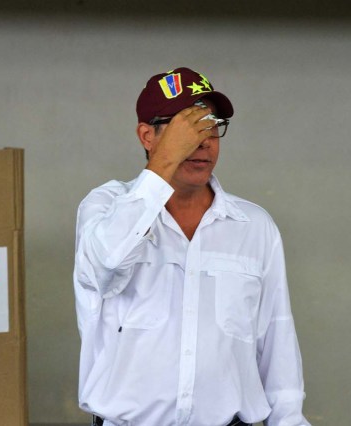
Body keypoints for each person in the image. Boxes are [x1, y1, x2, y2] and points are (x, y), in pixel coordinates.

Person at [73, 67, 310, 426]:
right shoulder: (105, 207)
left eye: (212, 126)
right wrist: (165, 162)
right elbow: (106, 266)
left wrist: (290, 420)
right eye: (187, 127)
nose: (203, 141)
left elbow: (277, 340)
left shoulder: (253, 226)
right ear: (146, 135)